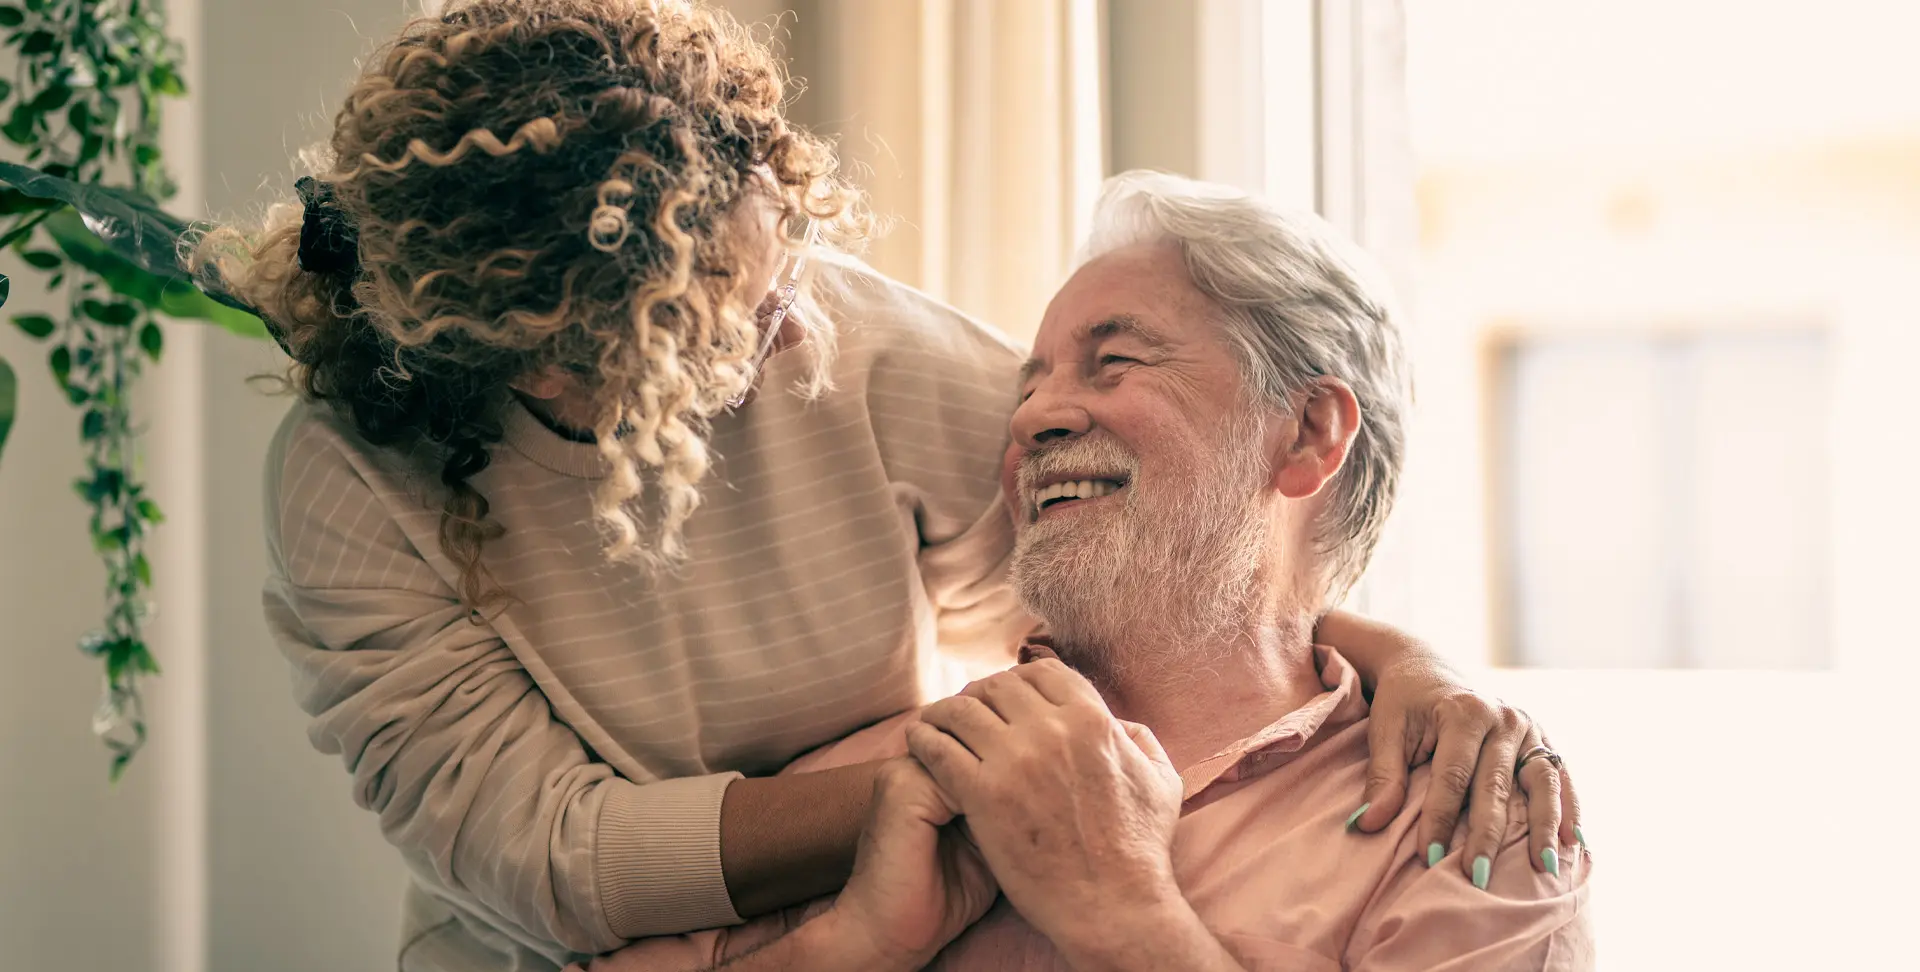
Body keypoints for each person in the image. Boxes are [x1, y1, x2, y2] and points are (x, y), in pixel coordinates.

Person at [200, 3, 1582, 969]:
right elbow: (559, 866)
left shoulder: (1461, 838)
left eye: (789, 261)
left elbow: (1194, 546)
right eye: (730, 317)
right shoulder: (351, 491)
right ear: (565, 359)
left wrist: (1410, 664)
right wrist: (946, 858)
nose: (801, 328)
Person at [581, 171, 1593, 972]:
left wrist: (1123, 913)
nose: (1032, 418)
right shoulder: (886, 779)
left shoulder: (1479, 834)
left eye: (1115, 363)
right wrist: (853, 952)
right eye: (1033, 384)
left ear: (1309, 431)